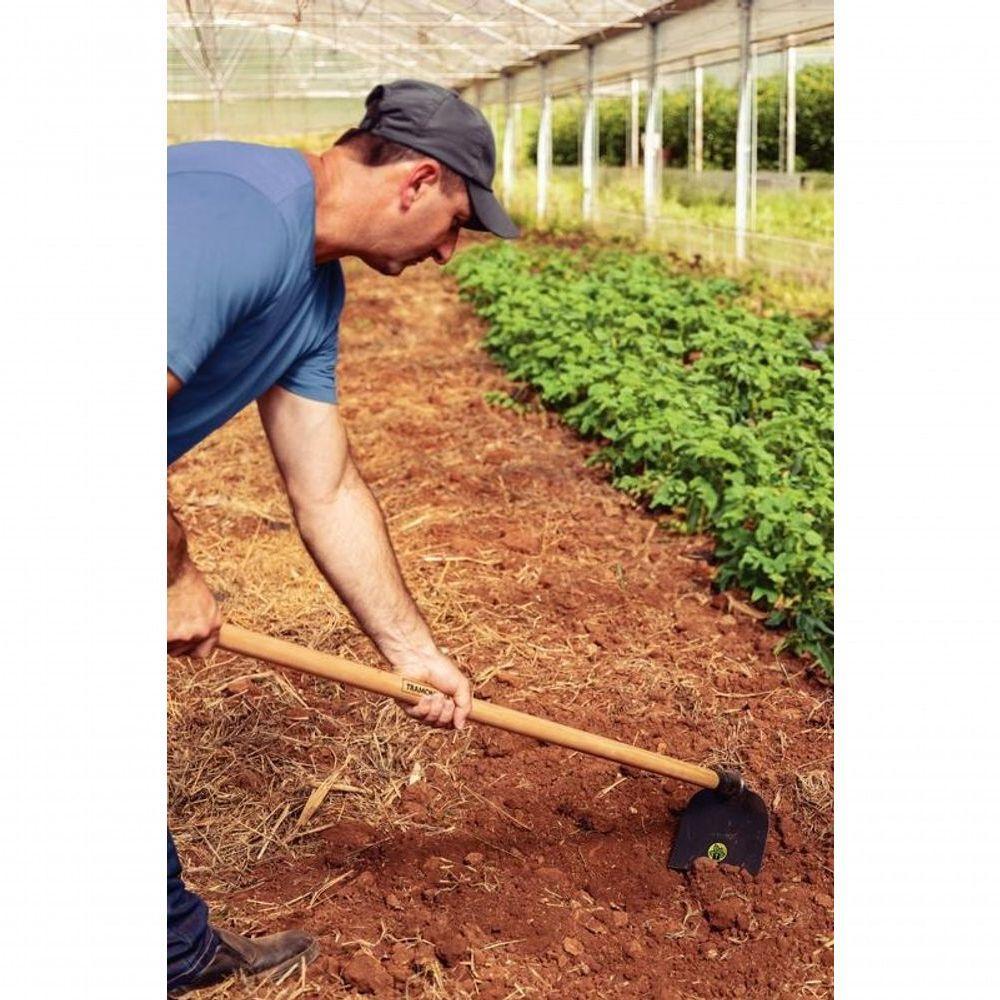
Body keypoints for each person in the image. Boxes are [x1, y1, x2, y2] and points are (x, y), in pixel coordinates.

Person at [166, 79, 518, 995]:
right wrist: (168, 572)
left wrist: (415, 656)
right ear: (417, 180)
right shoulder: (235, 211)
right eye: (456, 222)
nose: (448, 252)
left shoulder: (311, 295)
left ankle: (164, 944)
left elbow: (325, 487)